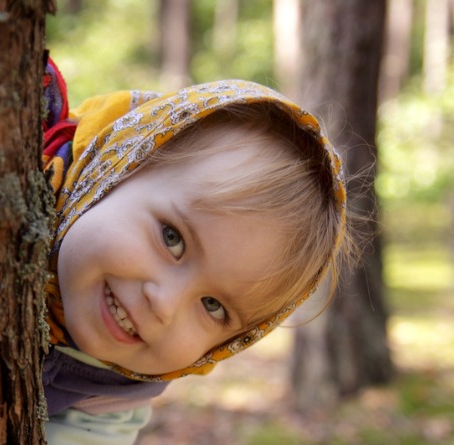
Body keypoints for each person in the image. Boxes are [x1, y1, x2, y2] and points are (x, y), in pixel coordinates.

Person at [40, 59, 355, 444]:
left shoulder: (106, 401)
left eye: (212, 306)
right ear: (115, 169)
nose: (164, 304)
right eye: (172, 239)